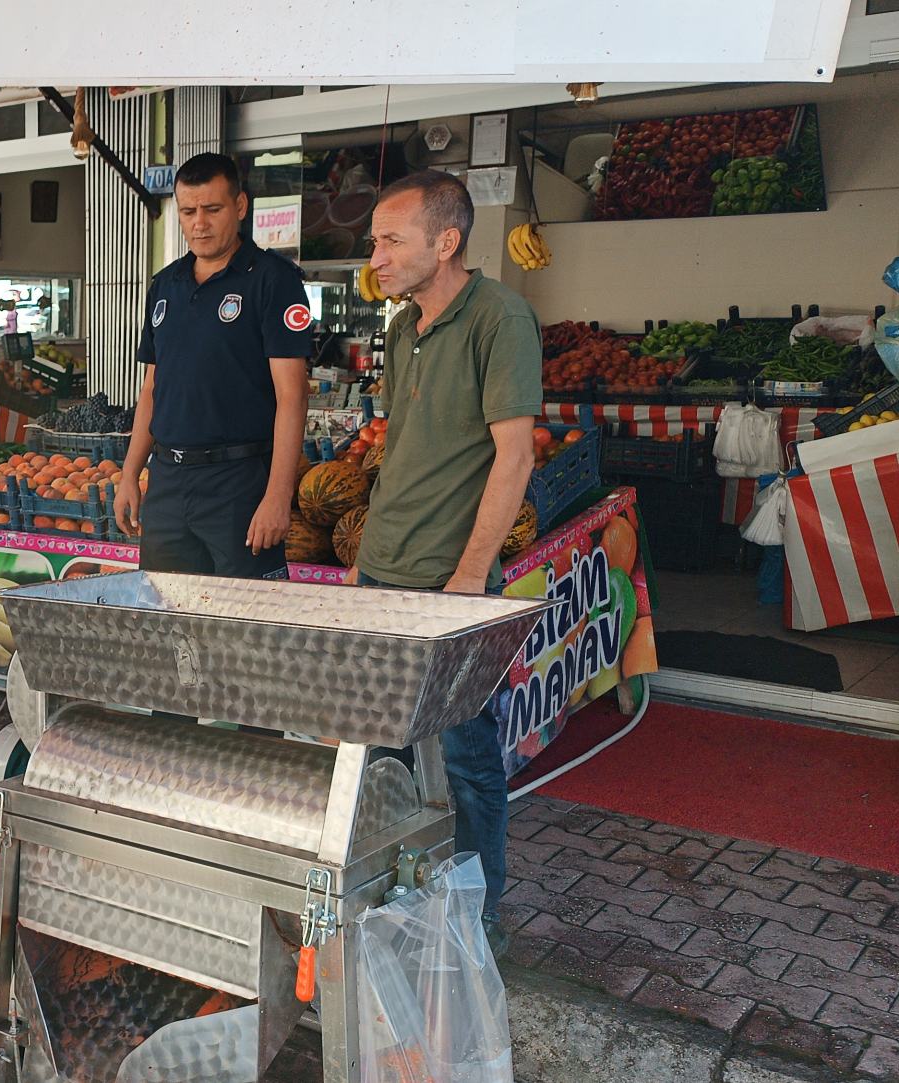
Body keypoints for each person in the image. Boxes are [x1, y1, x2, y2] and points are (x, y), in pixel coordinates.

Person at [352, 169, 542, 953]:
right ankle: (396, 904)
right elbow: (409, 441)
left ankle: (478, 914)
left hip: (447, 583)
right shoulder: (403, 326)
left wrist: (470, 575)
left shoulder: (501, 318)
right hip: (379, 571)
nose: (376, 255)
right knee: (380, 755)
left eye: (391, 240)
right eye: (375, 239)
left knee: (467, 760)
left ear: (447, 241)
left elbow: (516, 456)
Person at [115, 152, 312, 579]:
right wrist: (130, 473)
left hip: (238, 482)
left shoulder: (273, 280)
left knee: (249, 625)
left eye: (212, 209)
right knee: (169, 616)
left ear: (240, 207)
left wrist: (278, 495)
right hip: (167, 479)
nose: (199, 223)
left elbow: (293, 395)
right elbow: (152, 387)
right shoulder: (165, 285)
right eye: (188, 211)